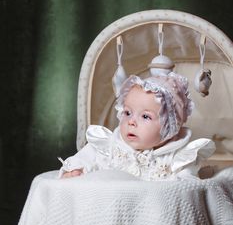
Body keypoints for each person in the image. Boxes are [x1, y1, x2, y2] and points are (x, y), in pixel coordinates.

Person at [59, 72, 215, 180]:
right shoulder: (110, 145)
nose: (131, 122)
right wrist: (76, 170)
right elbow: (85, 159)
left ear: (170, 127)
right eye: (127, 113)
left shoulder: (178, 156)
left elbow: (186, 188)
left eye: (145, 116)